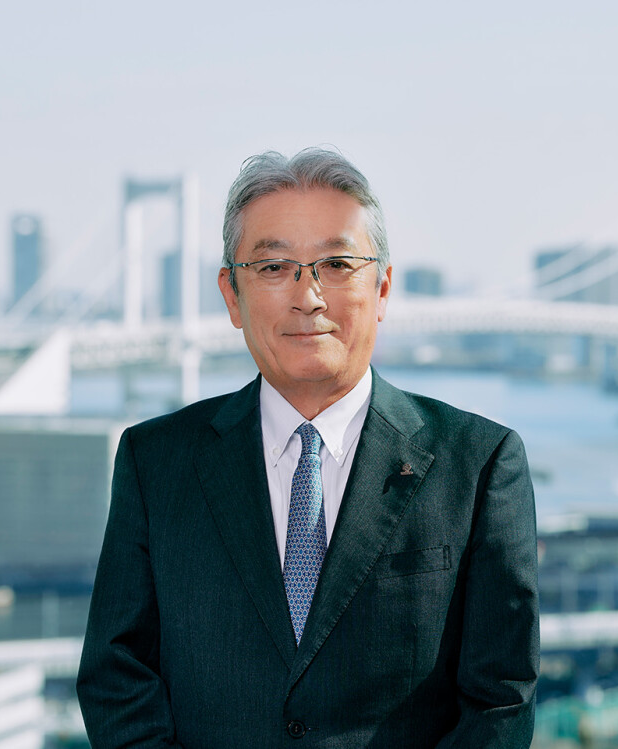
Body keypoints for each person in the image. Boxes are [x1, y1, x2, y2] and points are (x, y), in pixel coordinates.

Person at [77, 148, 539, 748]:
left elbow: (500, 701)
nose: (309, 296)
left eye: (338, 264)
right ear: (231, 295)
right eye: (274, 267)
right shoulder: (155, 462)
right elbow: (117, 678)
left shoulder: (480, 464)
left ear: (383, 289)